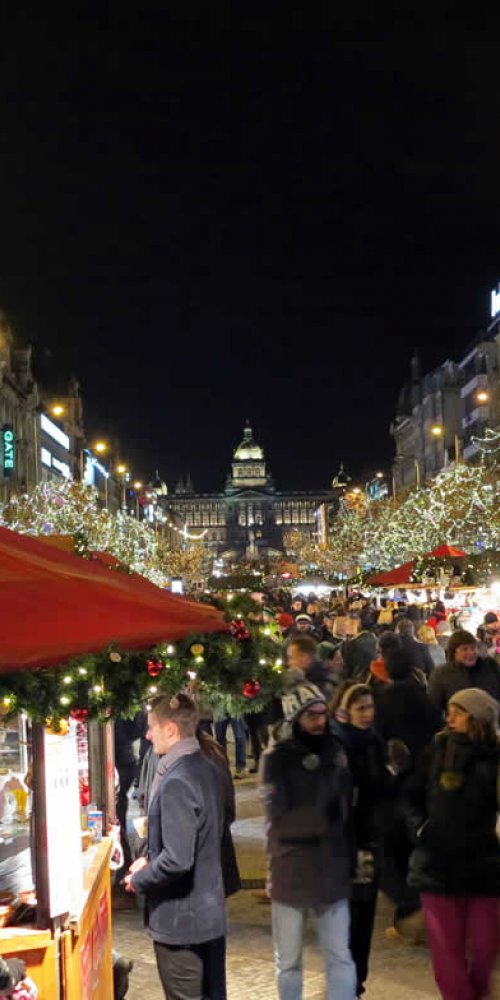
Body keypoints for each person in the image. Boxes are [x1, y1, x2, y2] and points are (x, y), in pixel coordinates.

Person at [124, 693, 227, 1000]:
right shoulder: (209, 767)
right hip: (208, 915)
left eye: (151, 726)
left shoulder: (177, 780)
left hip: (183, 924)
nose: (147, 734)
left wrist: (138, 879)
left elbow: (178, 859)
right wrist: (150, 857)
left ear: (170, 729)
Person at [260, 682, 356, 1000]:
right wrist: (324, 819)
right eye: (311, 715)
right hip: (291, 872)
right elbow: (280, 818)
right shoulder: (277, 759)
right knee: (288, 962)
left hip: (331, 872)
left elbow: (347, 807)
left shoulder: (336, 751)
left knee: (339, 956)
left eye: (322, 714)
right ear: (295, 717)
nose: (319, 721)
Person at [405, 688, 500, 1000]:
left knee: (486, 946)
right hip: (437, 864)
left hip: (484, 864)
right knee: (447, 950)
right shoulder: (436, 750)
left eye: (458, 712)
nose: (450, 717)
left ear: (478, 718)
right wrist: (420, 829)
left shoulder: (495, 756)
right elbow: (409, 797)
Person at [331, 683, 386, 998]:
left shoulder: (374, 743)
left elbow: (380, 793)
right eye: (360, 708)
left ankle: (356, 983)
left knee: (363, 915)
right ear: (346, 711)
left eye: (369, 707)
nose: (367, 714)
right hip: (341, 847)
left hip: (367, 846)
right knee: (342, 919)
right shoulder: (337, 746)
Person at [428, 629, 500, 716]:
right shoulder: (441, 674)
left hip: (491, 726)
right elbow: (433, 709)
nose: (471, 653)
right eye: (464, 649)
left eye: (473, 648)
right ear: (454, 652)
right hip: (460, 727)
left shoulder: (490, 668)